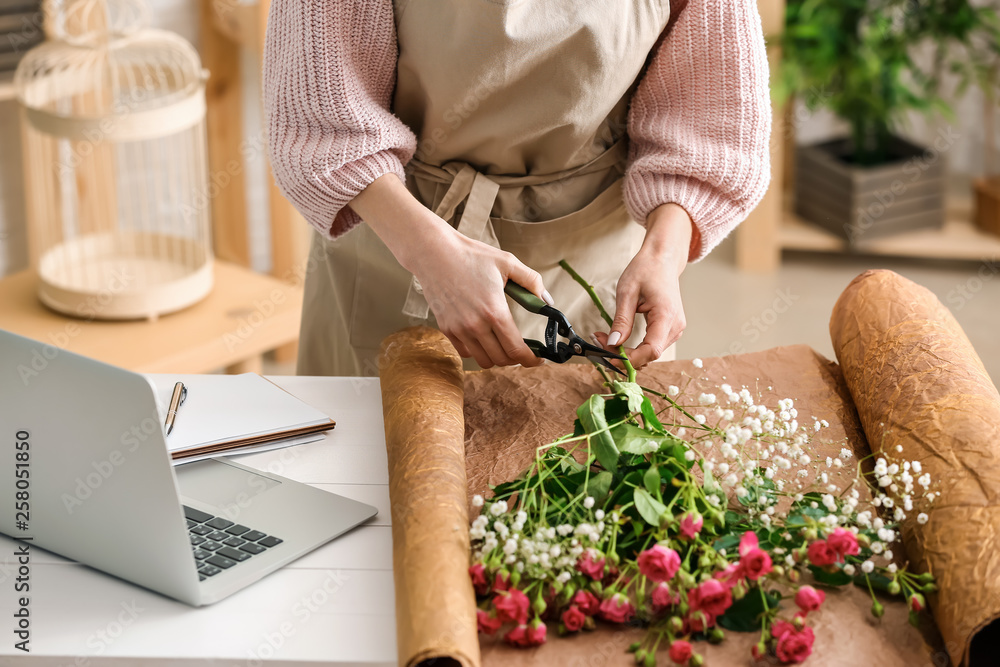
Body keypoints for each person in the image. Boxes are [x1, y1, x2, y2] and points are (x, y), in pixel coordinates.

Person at [263, 0, 771, 377]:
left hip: (596, 266)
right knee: (380, 490)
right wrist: (432, 257)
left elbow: (712, 120)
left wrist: (663, 254)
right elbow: (322, 123)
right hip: (396, 238)